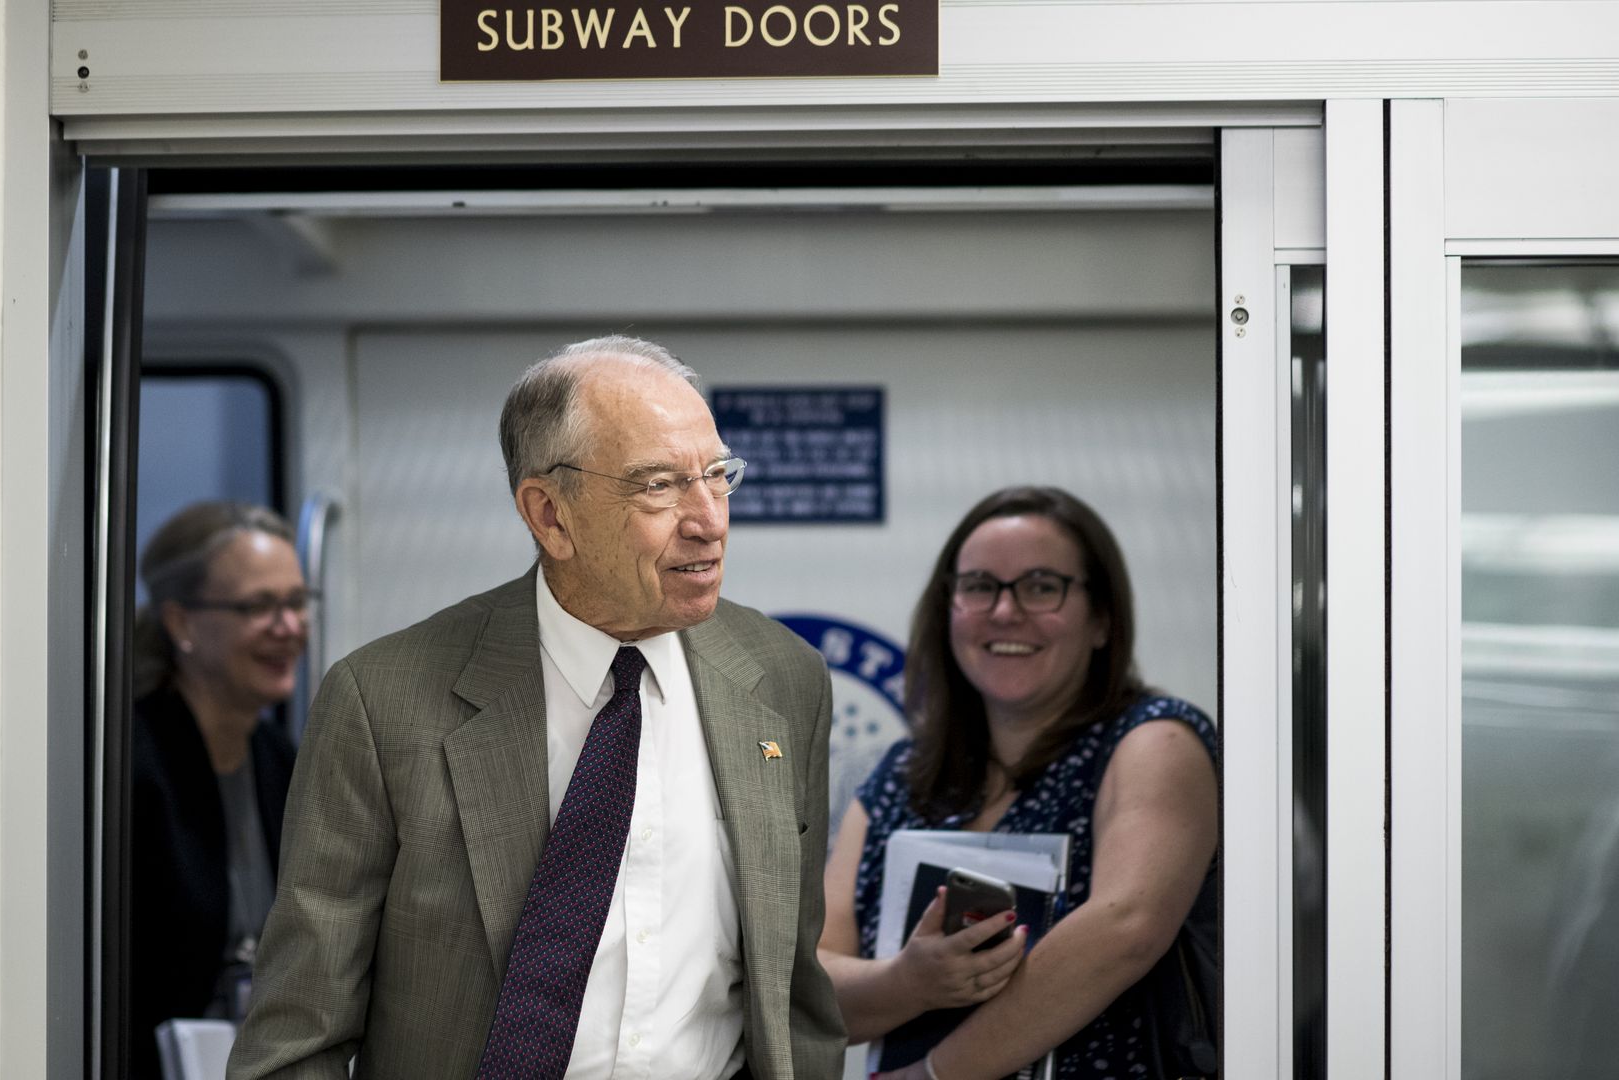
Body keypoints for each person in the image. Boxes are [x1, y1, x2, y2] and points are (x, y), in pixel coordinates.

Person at [228, 336, 845, 1080]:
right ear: (550, 514)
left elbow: (796, 1002)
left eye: (717, 475)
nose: (708, 519)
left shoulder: (784, 679)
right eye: (658, 486)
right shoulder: (383, 701)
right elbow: (299, 1039)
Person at [819, 486, 1220, 1080]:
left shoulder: (1156, 743)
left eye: (1041, 586)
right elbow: (813, 987)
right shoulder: (898, 777)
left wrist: (934, 1076)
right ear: (947, 608)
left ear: (1102, 619)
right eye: (980, 586)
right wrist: (910, 982)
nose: (1006, 612)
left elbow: (1125, 929)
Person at [130, 501, 309, 1080]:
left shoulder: (281, 757)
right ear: (181, 623)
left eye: (296, 602)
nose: (289, 628)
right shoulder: (134, 763)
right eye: (259, 606)